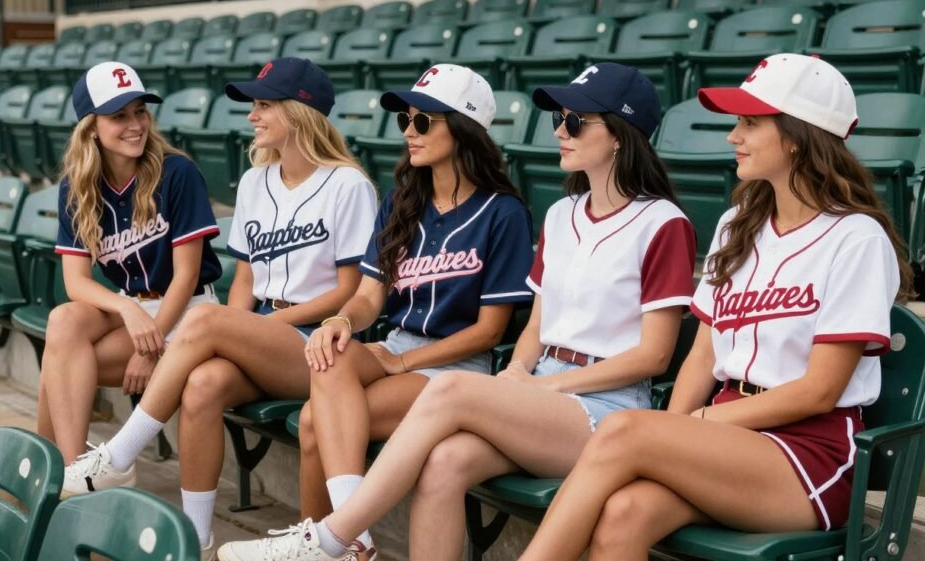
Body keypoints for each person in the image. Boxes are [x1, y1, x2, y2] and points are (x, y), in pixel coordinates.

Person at [218, 63, 698, 561]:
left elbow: (654, 357)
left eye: (575, 122)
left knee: (448, 388)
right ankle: (340, 538)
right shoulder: (562, 214)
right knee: (444, 462)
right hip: (538, 392)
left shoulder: (664, 223)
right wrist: (517, 371)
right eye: (560, 118)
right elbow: (537, 323)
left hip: (608, 406)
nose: (559, 130)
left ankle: (333, 538)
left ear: (619, 136)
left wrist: (539, 386)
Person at [516, 53, 916, 561]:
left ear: (798, 135)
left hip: (807, 455)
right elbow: (702, 358)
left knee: (624, 431)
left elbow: (820, 391)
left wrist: (688, 427)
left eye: (750, 123)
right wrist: (677, 428)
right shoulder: (737, 224)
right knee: (622, 516)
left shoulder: (857, 238)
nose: (733, 136)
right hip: (725, 432)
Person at [57, 57, 379, 558]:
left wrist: (254, 325)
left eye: (265, 105)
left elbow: (349, 292)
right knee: (203, 384)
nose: (253, 116)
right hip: (264, 335)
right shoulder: (255, 181)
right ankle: (196, 538)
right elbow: (245, 278)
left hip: (318, 343)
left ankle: (120, 453)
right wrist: (244, 327)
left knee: (207, 319)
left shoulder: (348, 184)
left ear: (300, 113)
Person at [39, 61, 222, 469]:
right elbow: (75, 283)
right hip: (134, 310)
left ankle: (60, 478)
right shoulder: (76, 186)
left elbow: (187, 275)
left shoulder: (177, 172)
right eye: (119, 115)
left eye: (139, 111)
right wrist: (126, 308)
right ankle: (72, 469)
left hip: (189, 312)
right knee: (63, 324)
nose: (135, 124)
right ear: (91, 127)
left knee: (57, 365)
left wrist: (150, 344)